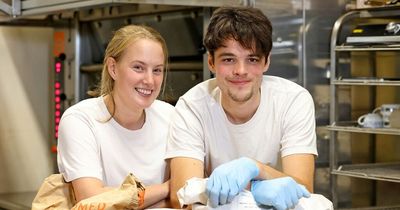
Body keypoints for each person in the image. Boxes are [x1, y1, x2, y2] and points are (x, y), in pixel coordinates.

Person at [165, 6, 318, 210]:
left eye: (252, 59)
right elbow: (180, 198)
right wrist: (255, 190)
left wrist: (256, 169)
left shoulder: (293, 101)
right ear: (211, 61)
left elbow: (304, 189)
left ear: (266, 62)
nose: (240, 71)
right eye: (228, 59)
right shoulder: (192, 106)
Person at [57, 25, 174, 209]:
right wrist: (168, 188)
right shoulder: (80, 120)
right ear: (113, 68)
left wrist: (122, 200)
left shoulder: (170, 116)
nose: (150, 81)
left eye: (157, 70)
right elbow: (91, 199)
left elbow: (186, 196)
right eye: (138, 67)